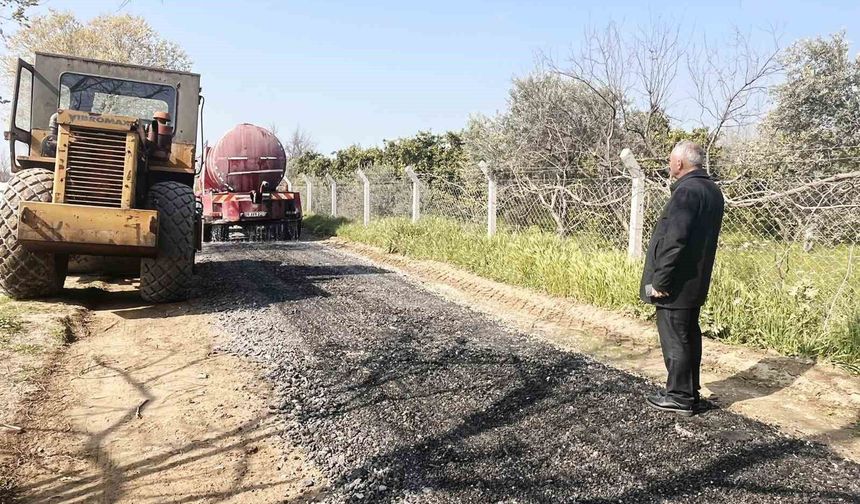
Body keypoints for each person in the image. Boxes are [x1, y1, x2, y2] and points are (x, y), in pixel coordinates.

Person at [640, 140, 724, 416]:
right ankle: (690, 392)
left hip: (676, 283)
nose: (669, 165)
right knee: (688, 336)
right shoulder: (711, 190)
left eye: (670, 160)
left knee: (675, 337)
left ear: (679, 163)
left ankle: (679, 396)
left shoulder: (686, 192)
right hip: (695, 280)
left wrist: (661, 281)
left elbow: (675, 240)